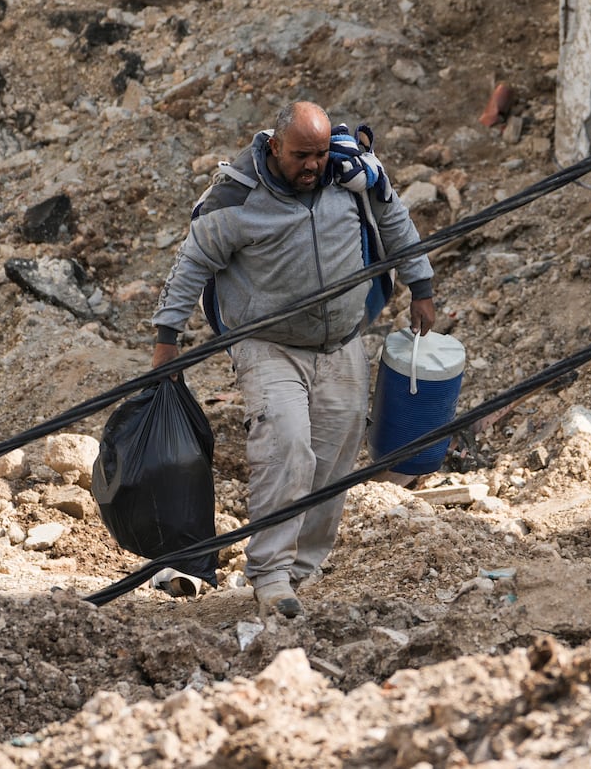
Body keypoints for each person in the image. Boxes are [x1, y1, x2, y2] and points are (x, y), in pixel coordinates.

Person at [152, 101, 437, 619]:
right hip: (268, 346)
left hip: (343, 340)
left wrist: (421, 284)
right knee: (286, 446)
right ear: (274, 147)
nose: (313, 165)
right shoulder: (237, 197)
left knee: (331, 461)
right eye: (302, 155)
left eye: (320, 153)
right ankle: (270, 573)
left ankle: (299, 571)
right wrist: (166, 339)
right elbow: (193, 261)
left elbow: (394, 217)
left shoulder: (352, 174)